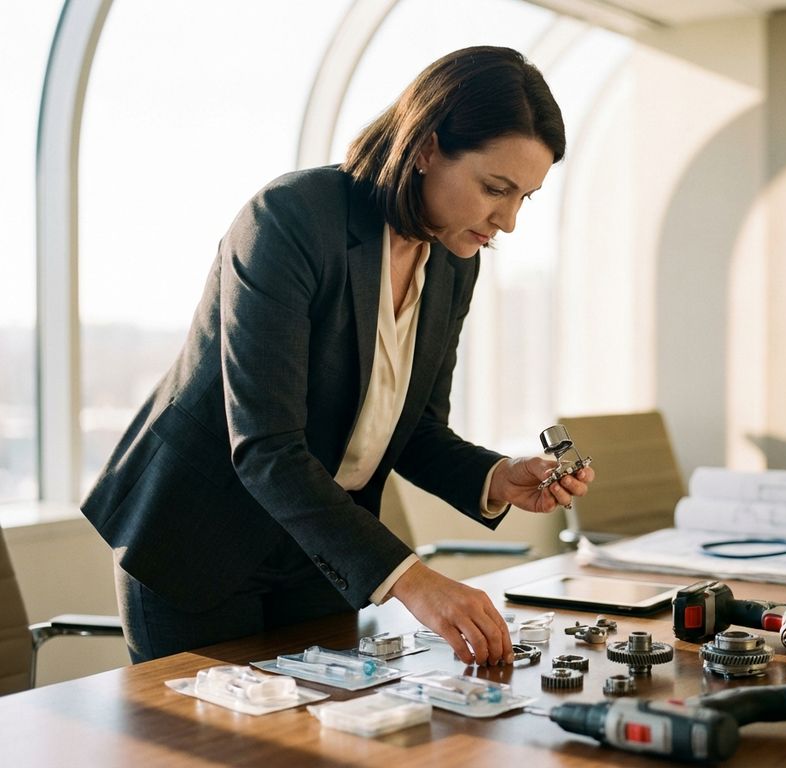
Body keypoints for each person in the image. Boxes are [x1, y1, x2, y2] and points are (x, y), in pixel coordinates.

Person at [81, 46, 594, 666]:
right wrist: (414, 579)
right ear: (427, 148)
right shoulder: (289, 220)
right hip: (200, 539)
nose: (507, 221)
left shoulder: (456, 262)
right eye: (495, 189)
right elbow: (268, 448)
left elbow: (417, 431)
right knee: (216, 754)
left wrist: (497, 477)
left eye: (525, 198)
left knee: (325, 744)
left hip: (320, 550)